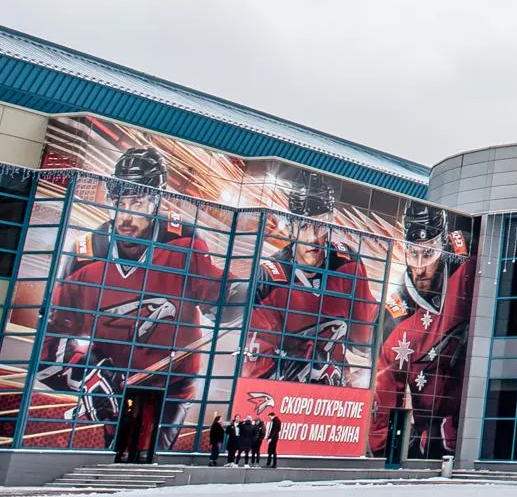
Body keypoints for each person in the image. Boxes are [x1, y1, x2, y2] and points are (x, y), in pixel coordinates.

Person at [39, 147, 225, 452]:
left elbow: (218, 299)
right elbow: (50, 348)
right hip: (114, 386)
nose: (125, 214)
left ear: (155, 201)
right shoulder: (85, 254)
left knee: (153, 451)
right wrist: (87, 372)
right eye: (120, 202)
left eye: (136, 202)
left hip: (172, 386)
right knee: (117, 449)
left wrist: (238, 299)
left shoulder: (184, 241)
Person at [244, 170, 379, 386]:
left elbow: (363, 336)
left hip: (334, 393)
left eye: (320, 224)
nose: (313, 237)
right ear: (290, 227)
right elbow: (258, 367)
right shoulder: (269, 278)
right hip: (286, 393)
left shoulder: (349, 263)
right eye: (304, 225)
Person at [370, 201, 475, 461]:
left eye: (428, 254)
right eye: (412, 253)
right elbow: (383, 401)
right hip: (434, 440)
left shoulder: (466, 257)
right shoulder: (394, 320)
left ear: (443, 245)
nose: (419, 266)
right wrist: (393, 451)